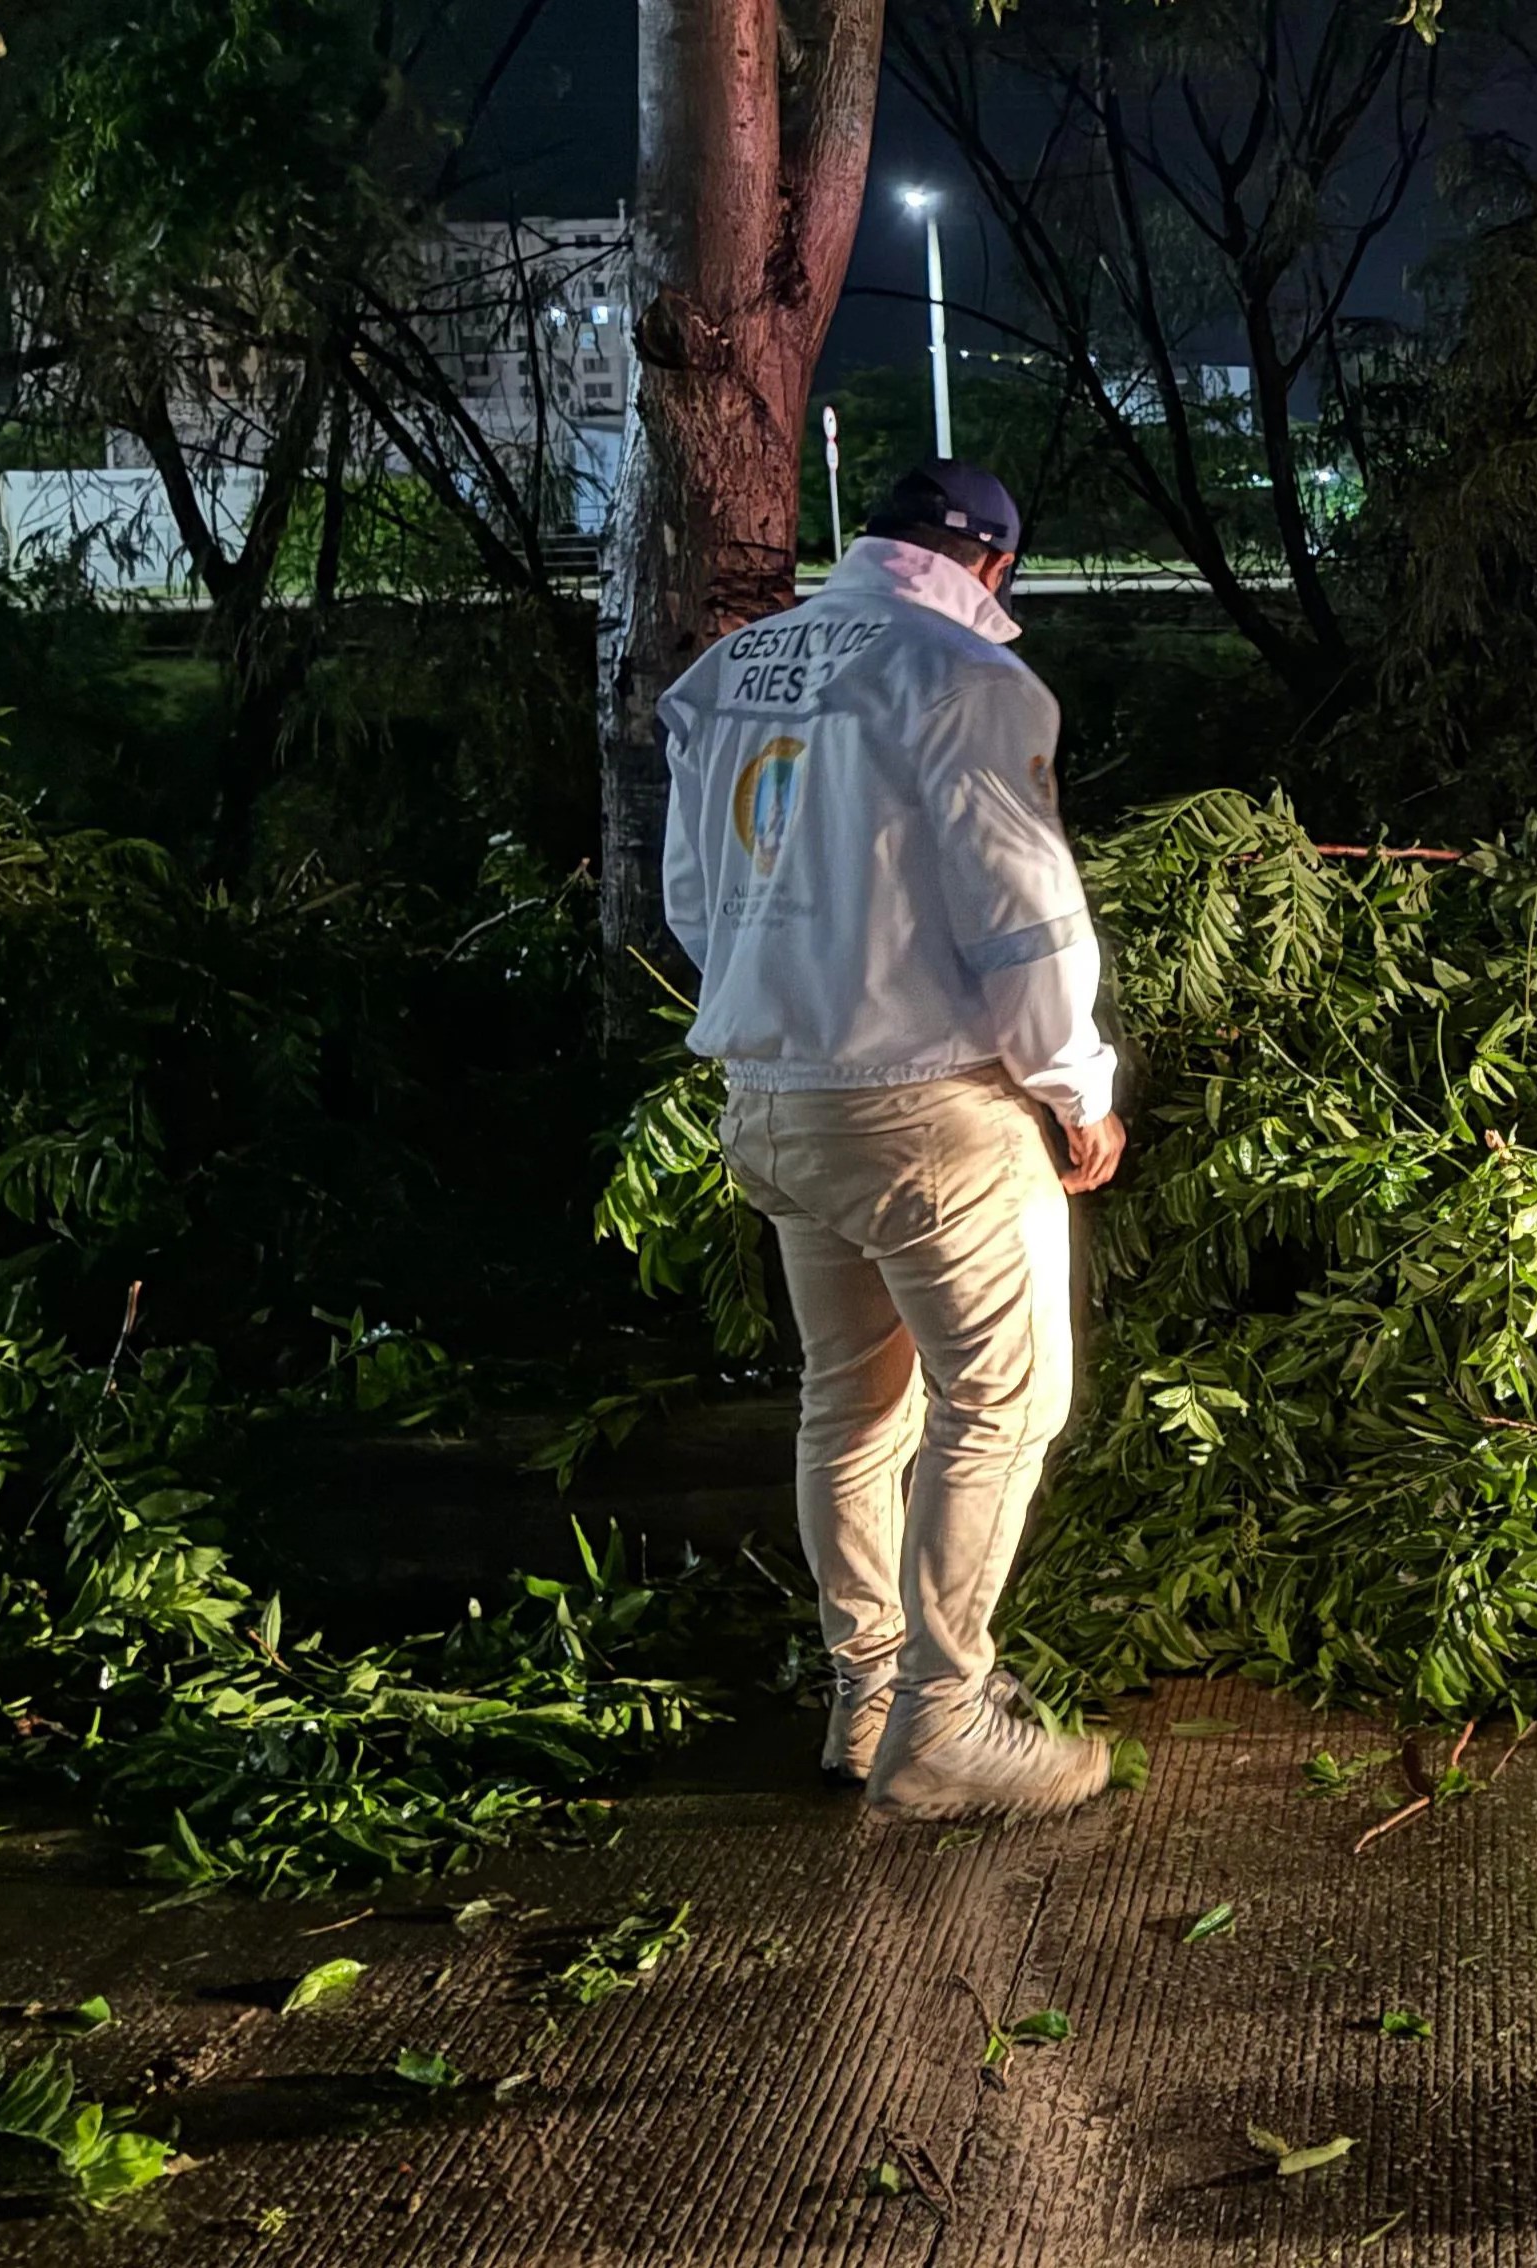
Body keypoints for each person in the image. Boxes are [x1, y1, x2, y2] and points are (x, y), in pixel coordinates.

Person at [661, 461, 1128, 1823]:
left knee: (852, 1405)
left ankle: (864, 1696)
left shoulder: (730, 675)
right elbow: (1026, 921)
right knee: (1004, 1399)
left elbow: (699, 896)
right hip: (928, 1104)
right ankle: (945, 1724)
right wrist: (1076, 1089)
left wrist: (791, 1001)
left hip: (777, 1092)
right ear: (989, 571)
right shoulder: (969, 682)